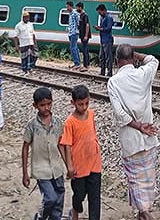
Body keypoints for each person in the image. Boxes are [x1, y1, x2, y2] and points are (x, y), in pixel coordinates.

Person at [107, 45, 160, 220]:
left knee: (135, 178)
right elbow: (153, 59)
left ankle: (144, 213)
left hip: (131, 139)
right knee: (147, 178)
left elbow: (119, 114)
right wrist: (136, 54)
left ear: (116, 60)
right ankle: (143, 211)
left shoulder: (114, 82)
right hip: (148, 137)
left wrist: (137, 126)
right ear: (133, 58)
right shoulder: (144, 73)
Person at [22, 88, 66, 220]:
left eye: (49, 104)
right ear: (35, 106)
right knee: (50, 198)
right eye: (42, 105)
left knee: (59, 198)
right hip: (41, 169)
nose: (46, 108)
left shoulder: (57, 122)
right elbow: (25, 148)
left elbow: (60, 144)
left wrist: (69, 165)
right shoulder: (32, 125)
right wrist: (25, 173)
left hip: (57, 168)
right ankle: (41, 216)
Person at [60, 85, 102, 220]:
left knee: (95, 196)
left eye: (86, 103)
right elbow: (66, 145)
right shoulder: (69, 122)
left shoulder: (91, 114)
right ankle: (75, 211)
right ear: (73, 103)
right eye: (80, 104)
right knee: (79, 194)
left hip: (94, 162)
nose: (84, 107)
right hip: (79, 165)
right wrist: (69, 166)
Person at [93, 5, 114, 77]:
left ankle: (109, 72)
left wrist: (99, 29)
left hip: (107, 39)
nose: (99, 14)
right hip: (102, 40)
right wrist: (99, 28)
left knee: (108, 57)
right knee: (101, 56)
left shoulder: (109, 18)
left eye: (100, 12)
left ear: (104, 10)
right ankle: (102, 71)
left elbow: (108, 28)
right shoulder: (102, 18)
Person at [76, 3, 91, 72]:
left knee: (85, 50)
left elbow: (87, 25)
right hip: (82, 35)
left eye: (77, 8)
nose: (76, 9)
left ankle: (86, 65)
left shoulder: (85, 16)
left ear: (80, 7)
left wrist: (86, 35)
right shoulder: (81, 15)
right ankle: (86, 65)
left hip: (85, 36)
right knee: (84, 49)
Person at [66, 2, 81, 70]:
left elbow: (78, 23)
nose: (67, 8)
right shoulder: (71, 14)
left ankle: (77, 63)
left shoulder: (75, 13)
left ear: (71, 6)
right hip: (71, 32)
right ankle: (77, 63)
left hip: (74, 33)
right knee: (75, 47)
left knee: (73, 48)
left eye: (68, 7)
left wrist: (77, 30)